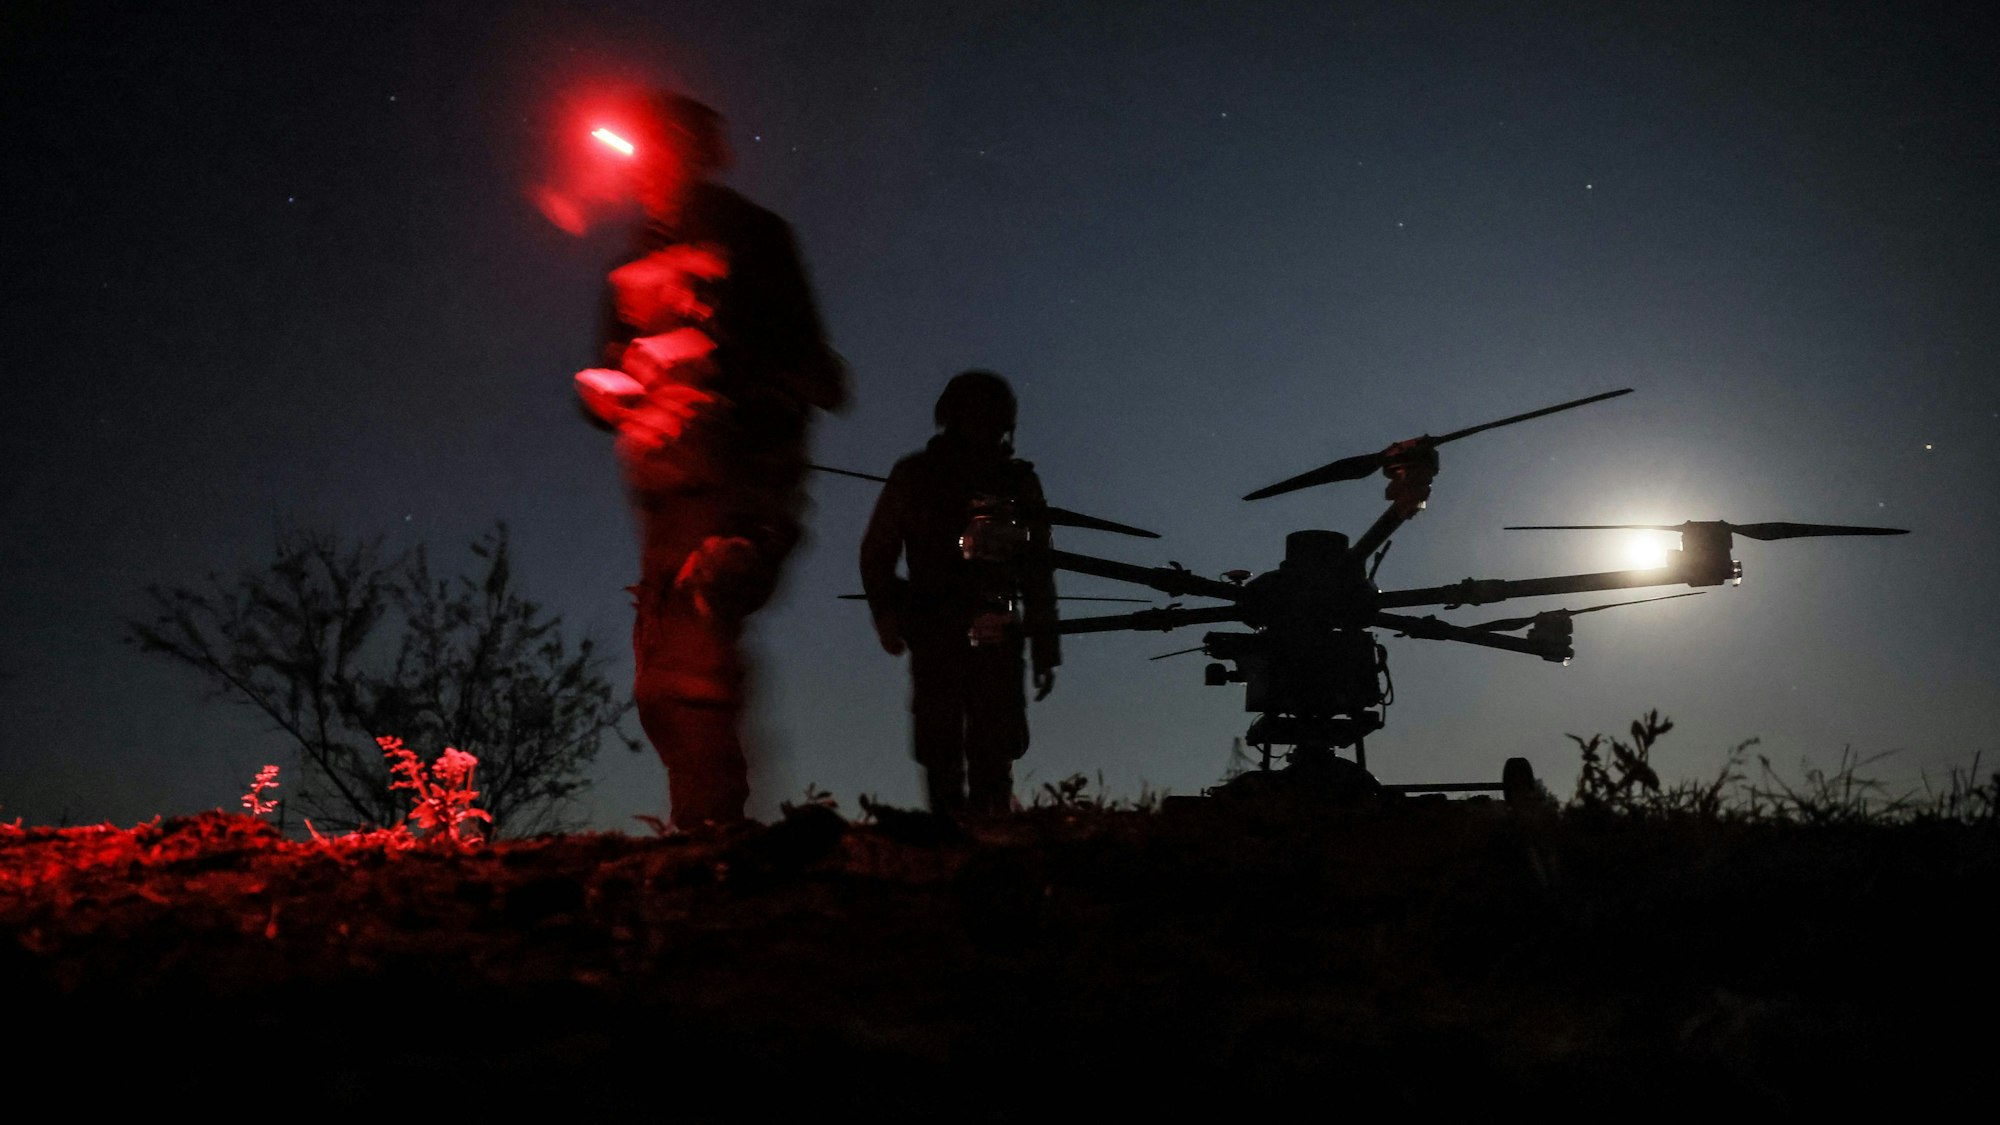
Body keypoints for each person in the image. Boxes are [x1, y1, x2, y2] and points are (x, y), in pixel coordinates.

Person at [575, 93, 847, 830]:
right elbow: (607, 365)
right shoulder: (631, 261)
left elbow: (813, 366)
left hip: (740, 469)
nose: (643, 170)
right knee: (662, 672)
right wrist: (610, 389)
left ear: (693, 150)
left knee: (701, 627)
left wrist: (739, 383)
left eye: (660, 148)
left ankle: (713, 827)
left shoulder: (755, 237)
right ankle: (708, 823)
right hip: (664, 484)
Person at [859, 371, 1060, 816]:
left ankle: (990, 829)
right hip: (935, 625)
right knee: (940, 742)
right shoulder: (916, 476)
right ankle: (947, 832)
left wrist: (1046, 646)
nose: (981, 426)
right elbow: (877, 553)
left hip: (998, 627)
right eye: (974, 415)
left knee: (994, 743)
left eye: (989, 417)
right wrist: (888, 613)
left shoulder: (1017, 483)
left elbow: (1038, 571)